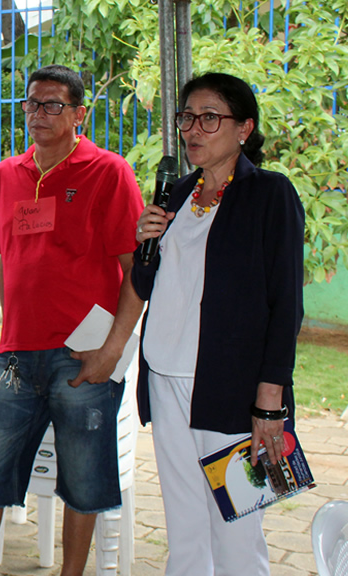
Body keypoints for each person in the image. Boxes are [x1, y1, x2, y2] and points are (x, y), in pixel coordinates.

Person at [0, 65, 145, 576]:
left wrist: (110, 352)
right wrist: (3, 343)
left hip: (82, 357)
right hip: (17, 357)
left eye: (53, 105)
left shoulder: (107, 172)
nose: (39, 115)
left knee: (84, 484)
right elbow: (9, 265)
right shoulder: (6, 175)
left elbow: (135, 271)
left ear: (78, 114)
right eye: (32, 104)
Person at [133, 72, 304, 576]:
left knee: (235, 529)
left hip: (227, 388)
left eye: (211, 117)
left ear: (244, 128)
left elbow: (285, 303)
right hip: (166, 379)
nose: (193, 129)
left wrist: (269, 401)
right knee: (184, 528)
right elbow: (148, 286)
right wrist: (145, 245)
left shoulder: (269, 194)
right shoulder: (177, 193)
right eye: (187, 117)